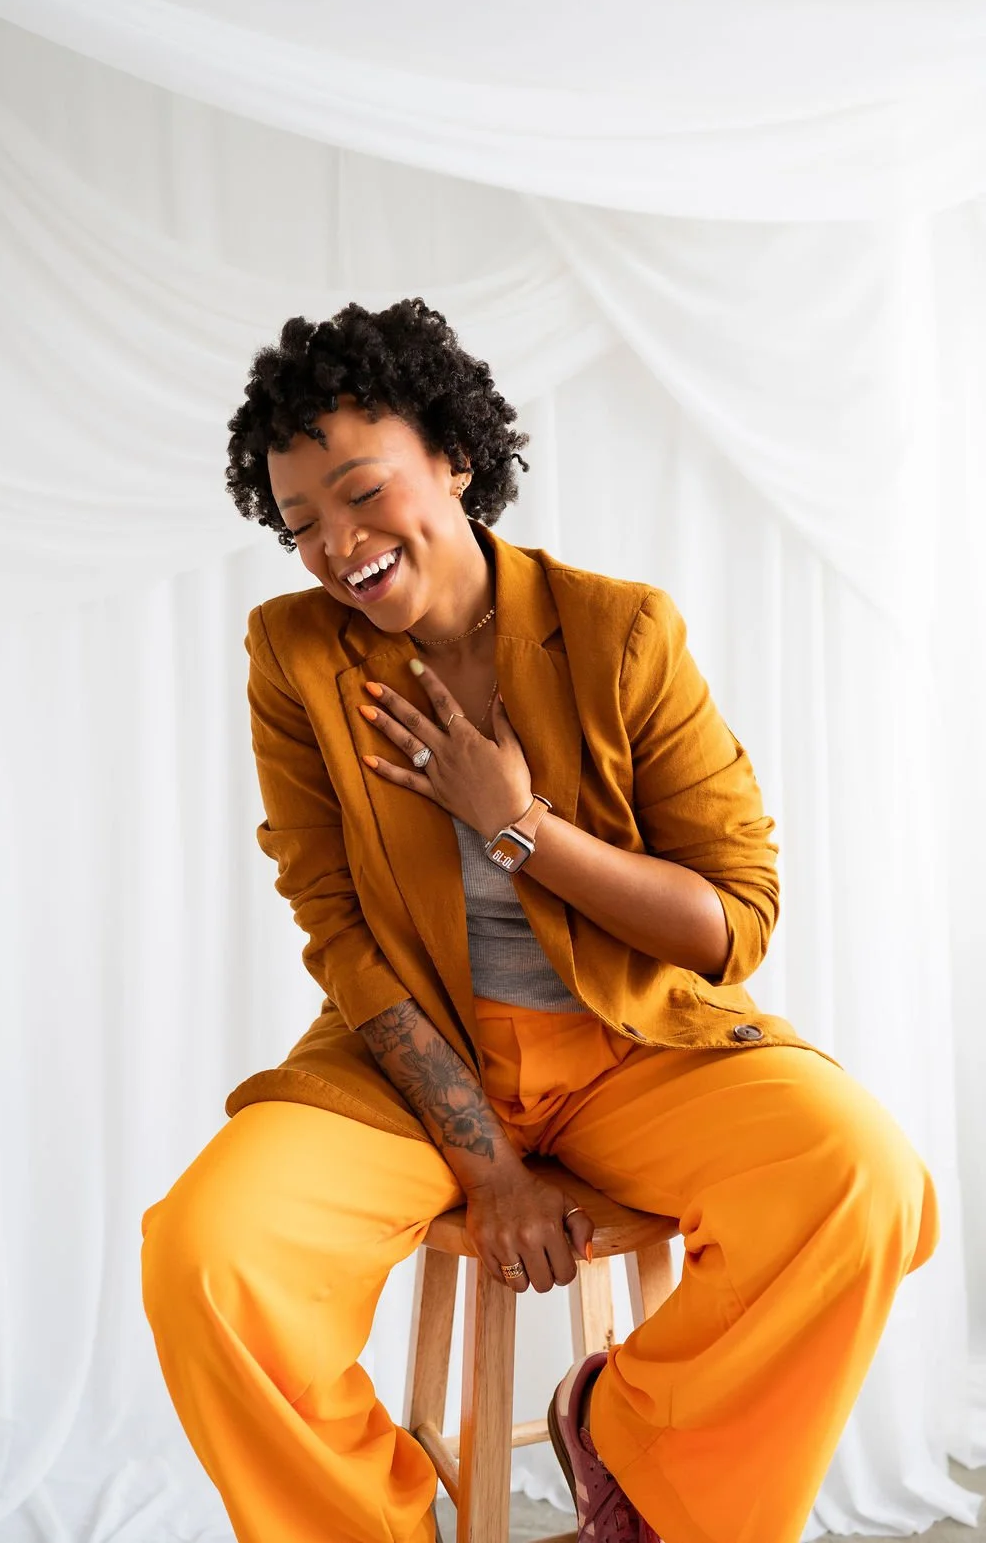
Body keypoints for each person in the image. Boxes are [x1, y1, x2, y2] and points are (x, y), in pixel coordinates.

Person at [140, 298, 940, 1543]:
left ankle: (635, 1450)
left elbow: (732, 920)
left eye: (361, 491)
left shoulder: (620, 632)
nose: (339, 545)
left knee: (861, 1179)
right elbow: (336, 923)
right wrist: (491, 1166)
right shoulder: (291, 654)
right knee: (208, 1249)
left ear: (453, 455)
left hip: (633, 1048)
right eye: (302, 524)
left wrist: (518, 824)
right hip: (413, 1066)